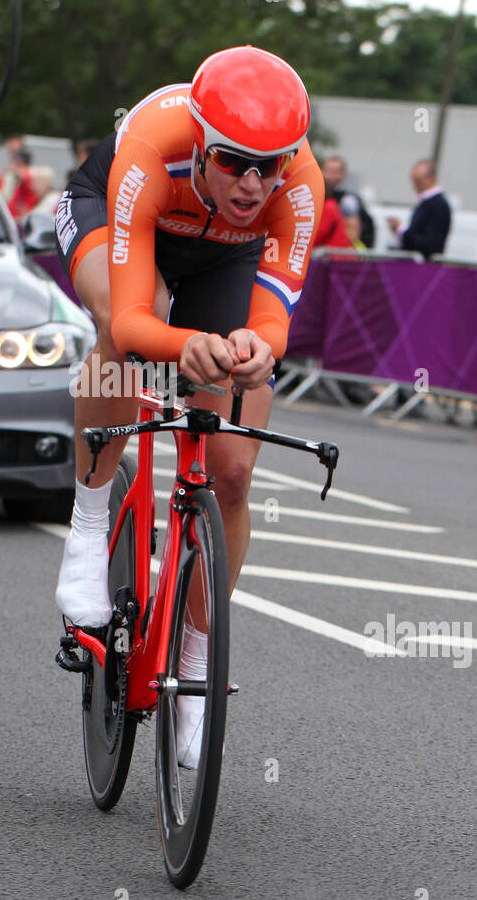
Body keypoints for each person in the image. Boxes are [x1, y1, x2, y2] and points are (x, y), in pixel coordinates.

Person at [53, 45, 324, 767]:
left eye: (270, 164)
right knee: (117, 331)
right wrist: (184, 345)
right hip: (119, 220)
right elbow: (140, 320)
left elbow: (271, 323)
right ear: (202, 143)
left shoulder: (298, 187)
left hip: (222, 259)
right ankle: (87, 525)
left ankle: (199, 663)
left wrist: (256, 348)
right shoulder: (154, 146)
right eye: (235, 161)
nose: (253, 181)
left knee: (232, 474)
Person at [387, 159, 451, 257]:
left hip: (426, 267)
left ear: (432, 178)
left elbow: (430, 244)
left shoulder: (438, 205)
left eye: (418, 181)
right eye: (413, 180)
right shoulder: (426, 203)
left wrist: (401, 230)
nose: (414, 186)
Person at [322, 155, 375, 249]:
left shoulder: (347, 201)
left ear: (344, 174)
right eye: (328, 171)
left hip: (339, 256)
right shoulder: (322, 196)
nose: (331, 175)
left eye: (335, 172)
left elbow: (353, 234)